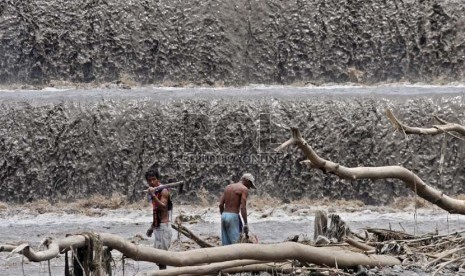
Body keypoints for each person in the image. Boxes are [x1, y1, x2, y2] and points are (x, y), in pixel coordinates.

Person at [218, 173, 256, 245]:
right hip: (233, 217)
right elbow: (243, 207)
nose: (249, 187)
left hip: (224, 216)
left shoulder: (228, 187)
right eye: (250, 185)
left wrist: (223, 215)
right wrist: (245, 224)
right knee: (237, 243)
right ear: (246, 180)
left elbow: (220, 204)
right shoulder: (244, 189)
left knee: (226, 245)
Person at [145, 169, 172, 270]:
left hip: (164, 228)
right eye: (149, 180)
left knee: (162, 259)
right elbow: (157, 212)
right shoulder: (155, 191)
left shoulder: (163, 191)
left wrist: (153, 195)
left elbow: (163, 207)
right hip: (158, 228)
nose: (152, 182)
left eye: (154, 179)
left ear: (158, 179)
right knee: (158, 259)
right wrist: (152, 227)